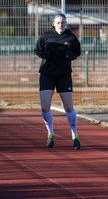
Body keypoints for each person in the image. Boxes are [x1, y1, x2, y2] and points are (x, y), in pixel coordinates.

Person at [34, 13, 82, 150]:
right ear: (53, 24)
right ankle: (50, 134)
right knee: (44, 107)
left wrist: (70, 56)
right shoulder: (46, 36)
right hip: (47, 74)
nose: (60, 25)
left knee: (68, 107)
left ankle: (75, 136)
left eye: (63, 22)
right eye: (58, 23)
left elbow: (77, 52)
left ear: (66, 23)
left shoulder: (71, 37)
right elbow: (37, 49)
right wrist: (44, 55)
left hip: (64, 75)